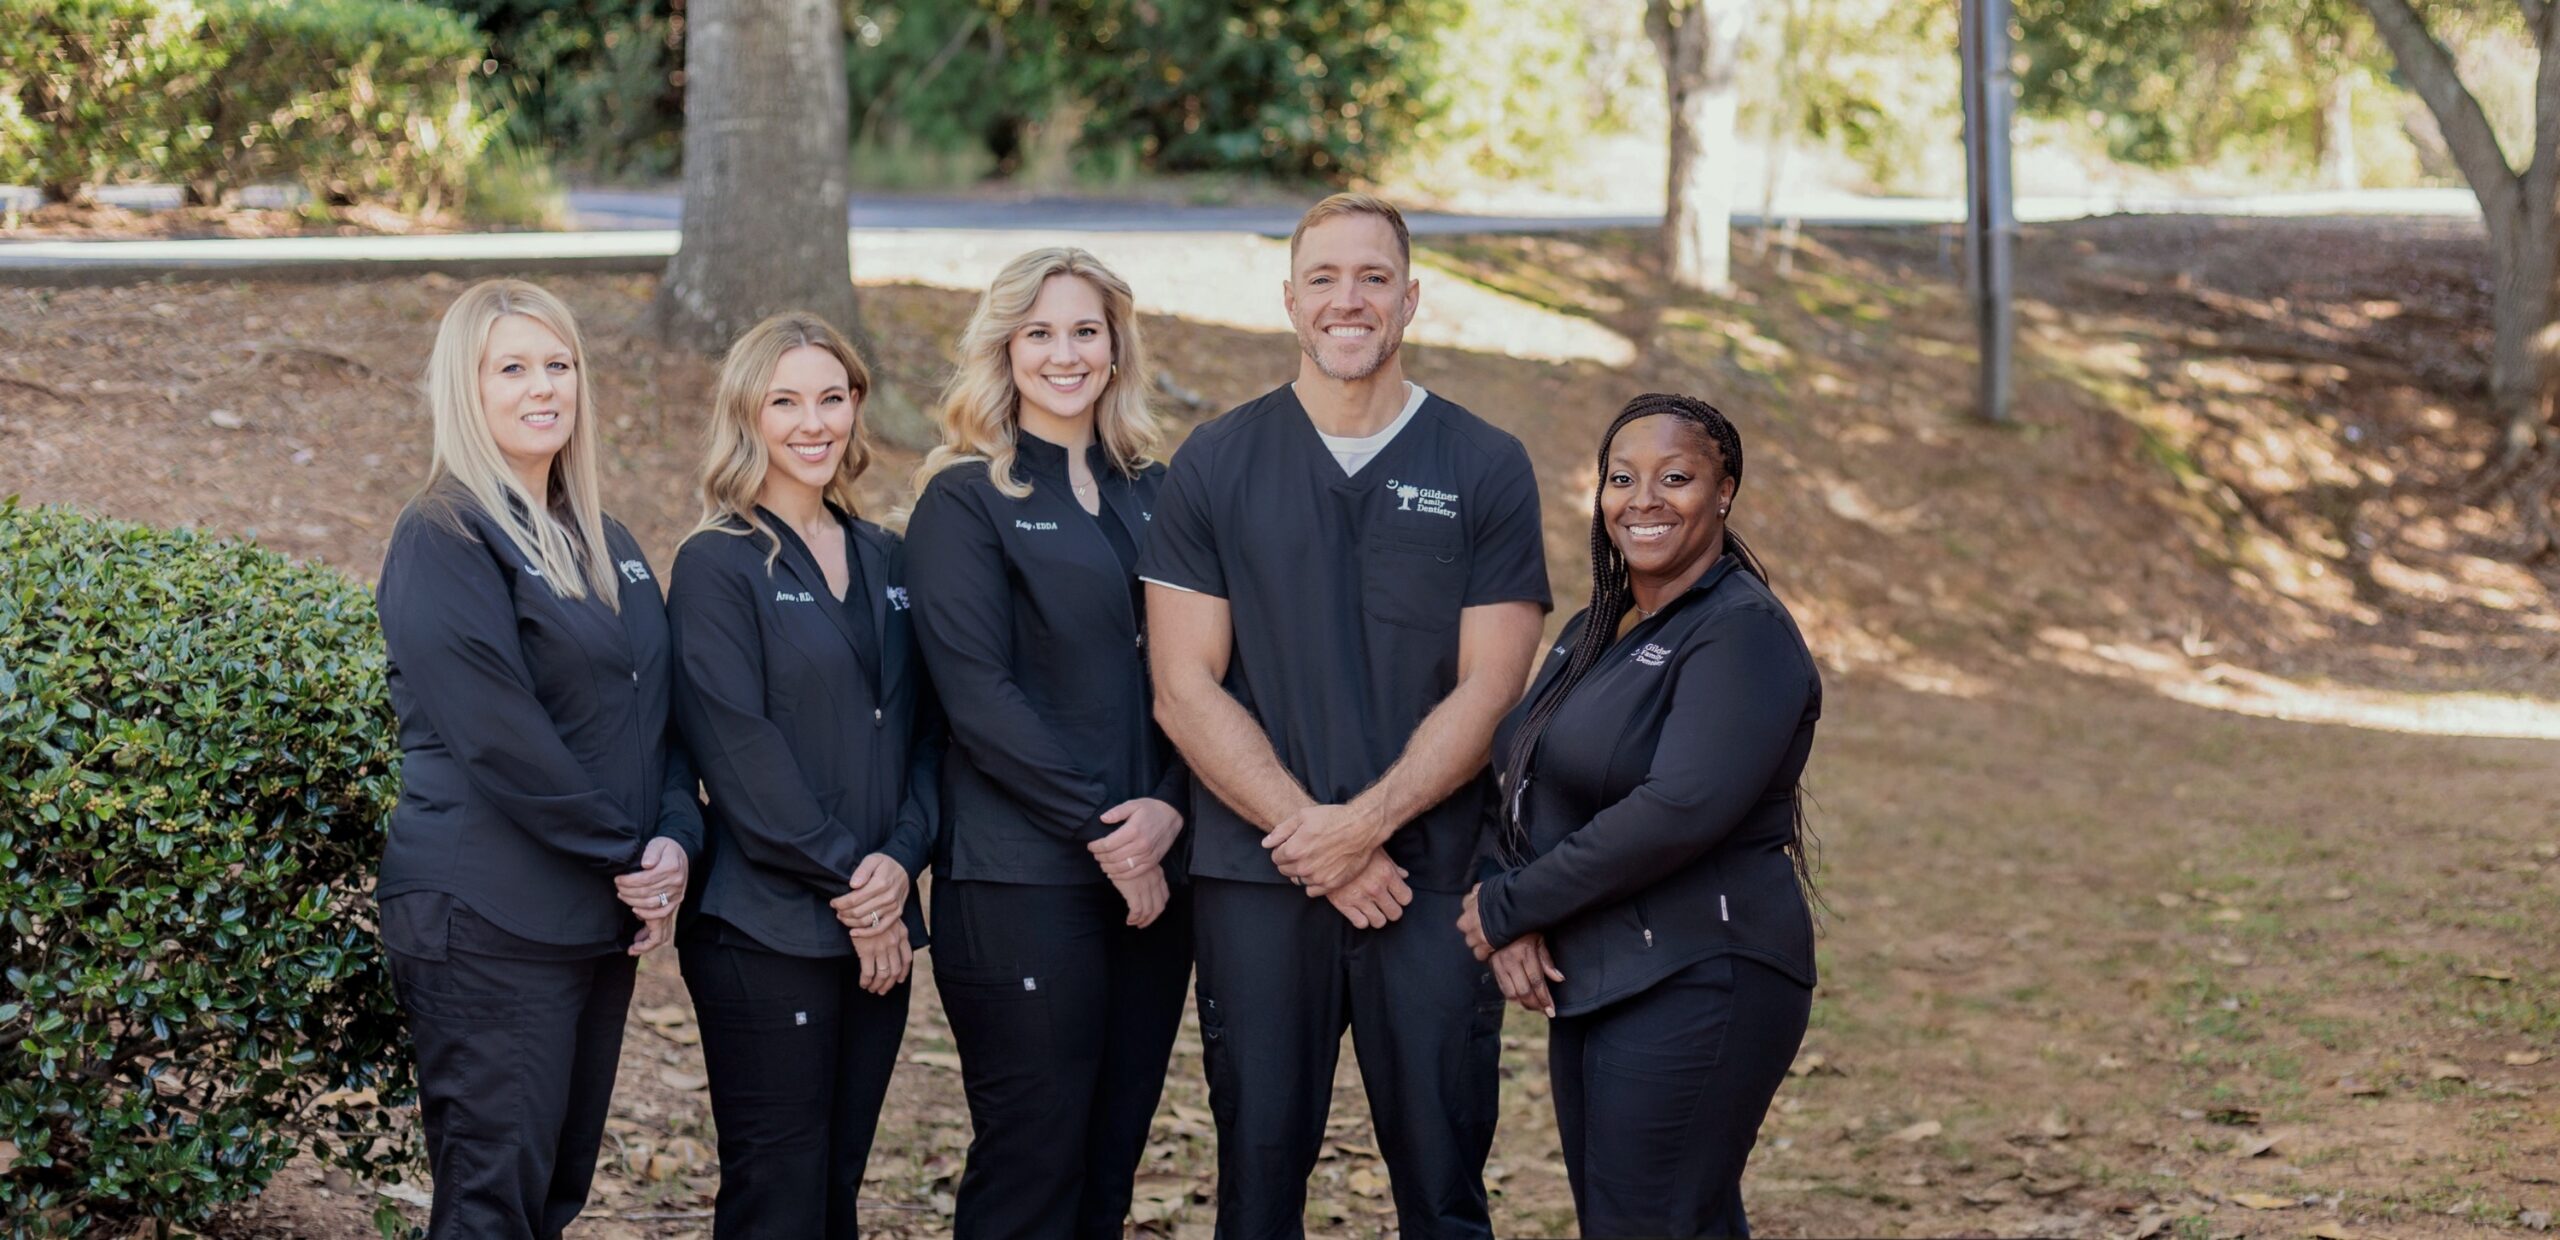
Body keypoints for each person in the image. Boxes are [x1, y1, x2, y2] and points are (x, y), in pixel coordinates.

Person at [1137, 194, 1550, 1239]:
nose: (1347, 299)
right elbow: (1183, 685)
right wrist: (1315, 839)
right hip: (1257, 877)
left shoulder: (1482, 463)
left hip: (1432, 878)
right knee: (1258, 1183)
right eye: (1323, 277)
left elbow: (1492, 684)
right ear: (1289, 301)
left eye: (1372, 277)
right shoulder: (1217, 462)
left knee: (1444, 1181)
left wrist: (1362, 828)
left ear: (1410, 298)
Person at [374, 278, 701, 1238]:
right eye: (512, 368)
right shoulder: (442, 534)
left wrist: (677, 839)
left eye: (558, 365)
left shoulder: (607, 541)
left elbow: (660, 718)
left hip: (592, 919)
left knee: (551, 1195)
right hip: (487, 918)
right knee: (492, 1204)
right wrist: (629, 855)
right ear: (464, 389)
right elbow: (499, 739)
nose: (543, 387)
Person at [1458, 392, 1821, 1239]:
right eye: (1622, 478)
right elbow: (1518, 771)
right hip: (1601, 974)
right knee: (1653, 1219)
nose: (1644, 499)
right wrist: (1513, 910)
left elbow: (1679, 808)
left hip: (1703, 976)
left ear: (1724, 490)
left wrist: (1514, 906)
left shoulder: (1742, 633)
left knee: (1646, 1220)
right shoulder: (1598, 627)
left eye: (1676, 477)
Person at [902, 247, 1192, 1239]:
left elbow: (1199, 673)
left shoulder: (1157, 493)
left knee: (1109, 1165)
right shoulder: (963, 498)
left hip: (1155, 873)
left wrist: (1168, 807)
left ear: (1115, 348)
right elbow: (976, 695)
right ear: (1005, 348)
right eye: (1038, 333)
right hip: (1021, 879)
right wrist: (1105, 830)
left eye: (1083, 331)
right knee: (1034, 1160)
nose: (1062, 354)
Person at [664, 312, 940, 1238]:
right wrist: (857, 890)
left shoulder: (887, 557)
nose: (812, 422)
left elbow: (929, 738)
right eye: (785, 400)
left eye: (831, 397)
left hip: (881, 927)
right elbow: (739, 757)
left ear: (857, 409)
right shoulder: (717, 565)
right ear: (748, 415)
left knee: (837, 1190)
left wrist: (900, 864)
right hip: (765, 930)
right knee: (776, 1195)